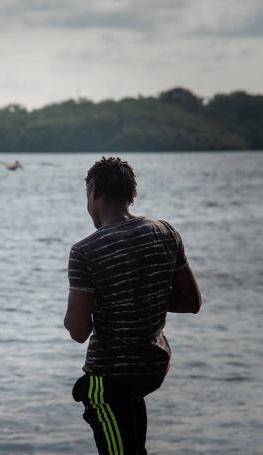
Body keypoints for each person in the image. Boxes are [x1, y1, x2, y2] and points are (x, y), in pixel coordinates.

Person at [65, 156, 201, 455]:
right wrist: (140, 295)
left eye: (88, 196)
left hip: (111, 378)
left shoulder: (85, 251)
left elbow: (77, 331)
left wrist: (115, 299)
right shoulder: (166, 232)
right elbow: (191, 302)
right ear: (132, 194)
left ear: (95, 192)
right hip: (152, 368)